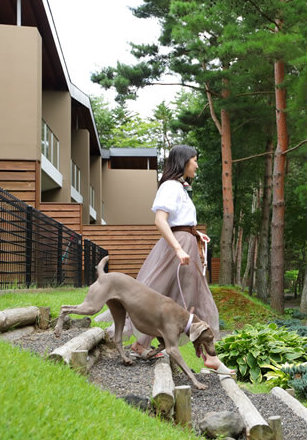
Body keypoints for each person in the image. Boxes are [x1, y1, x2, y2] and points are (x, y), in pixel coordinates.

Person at [97, 145, 232, 374]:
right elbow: (160, 220)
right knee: (181, 297)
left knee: (166, 294)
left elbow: (179, 221)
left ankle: (142, 344)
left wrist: (195, 234)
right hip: (178, 247)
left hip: (185, 242)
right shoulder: (171, 186)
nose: (197, 165)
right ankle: (209, 356)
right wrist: (179, 248)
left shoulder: (179, 187)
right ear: (183, 162)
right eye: (194, 160)